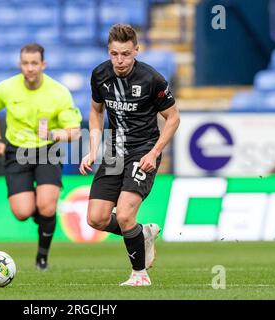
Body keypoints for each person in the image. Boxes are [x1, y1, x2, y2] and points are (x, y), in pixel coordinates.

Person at [79, 24, 180, 286]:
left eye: (125, 54)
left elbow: (173, 118)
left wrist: (155, 152)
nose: (120, 60)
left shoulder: (152, 79)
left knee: (124, 214)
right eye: (114, 54)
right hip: (114, 150)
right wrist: (93, 149)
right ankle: (141, 233)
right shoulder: (100, 75)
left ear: (136, 50)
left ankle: (140, 275)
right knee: (96, 218)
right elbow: (96, 111)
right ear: (109, 52)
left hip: (143, 149)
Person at [0, 43, 82, 271]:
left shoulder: (58, 92)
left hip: (47, 150)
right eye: (25, 63)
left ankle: (42, 257)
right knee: (22, 212)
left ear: (43, 65)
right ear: (20, 64)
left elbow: (74, 130)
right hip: (16, 151)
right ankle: (42, 209)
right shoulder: (6, 88)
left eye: (34, 63)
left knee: (47, 207)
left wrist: (58, 133)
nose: (29, 68)